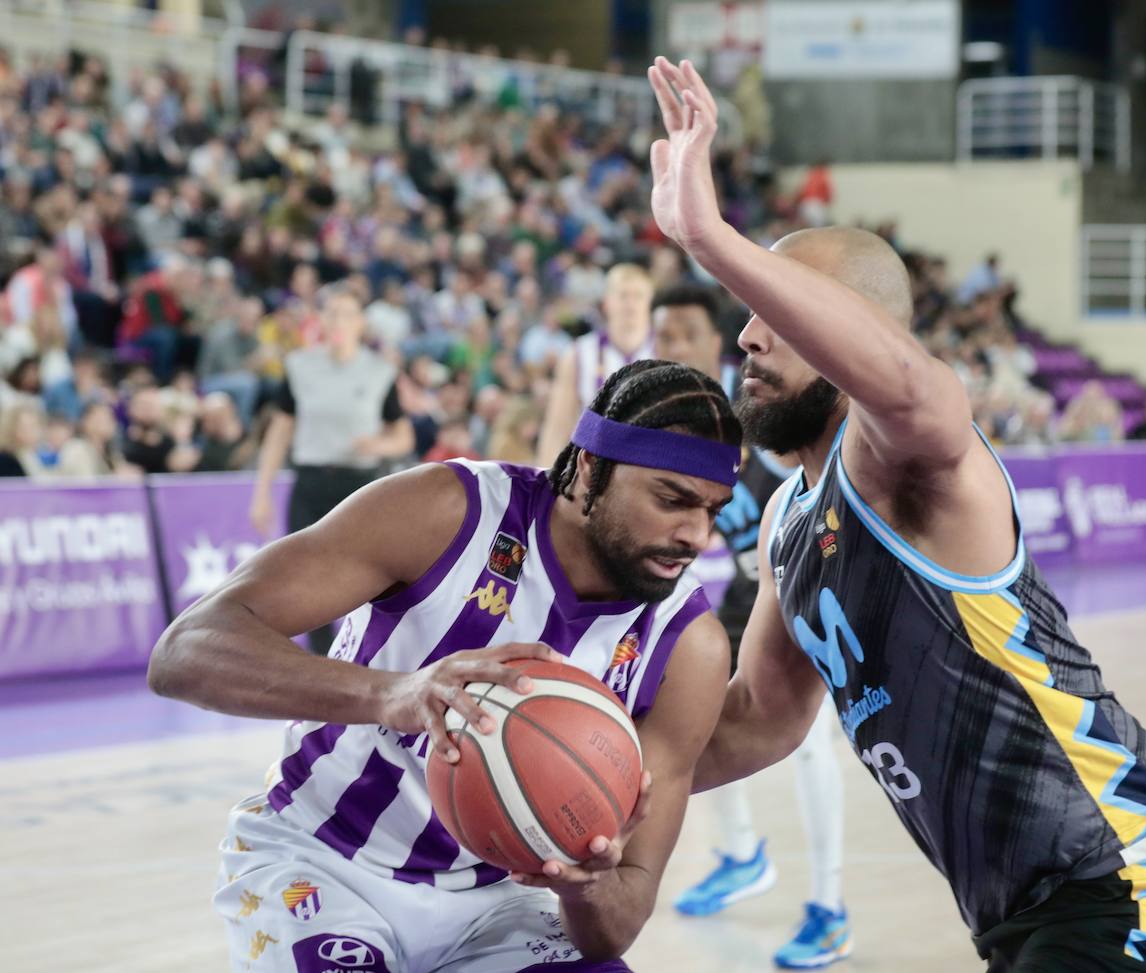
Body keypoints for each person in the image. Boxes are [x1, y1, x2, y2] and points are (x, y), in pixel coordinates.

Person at [646, 58, 1146, 972]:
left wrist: (714, 240)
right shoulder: (787, 528)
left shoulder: (904, 457)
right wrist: (606, 779)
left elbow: (918, 387)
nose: (748, 333)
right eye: (748, 307)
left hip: (1127, 867)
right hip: (1022, 910)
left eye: (775, 309)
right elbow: (757, 719)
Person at [147, 359, 742, 973]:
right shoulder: (449, 510)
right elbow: (185, 649)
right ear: (590, 468)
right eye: (672, 501)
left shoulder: (689, 645)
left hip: (498, 902)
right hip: (318, 858)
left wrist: (584, 883)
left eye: (714, 510)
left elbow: (613, 931)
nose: (697, 535)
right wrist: (394, 693)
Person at [651, 284, 852, 967]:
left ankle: (829, 907)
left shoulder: (764, 420)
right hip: (740, 588)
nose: (666, 347)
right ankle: (742, 855)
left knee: (808, 742)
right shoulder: (674, 423)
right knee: (688, 718)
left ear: (716, 343)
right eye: (660, 335)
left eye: (680, 334)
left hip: (801, 577)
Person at [250, 289, 416, 654]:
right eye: (332, 313)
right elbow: (279, 433)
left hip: (361, 486)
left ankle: (376, 653)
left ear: (360, 323)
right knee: (308, 580)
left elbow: (403, 435)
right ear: (321, 321)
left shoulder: (379, 372)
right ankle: (321, 661)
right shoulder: (299, 367)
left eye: (347, 314)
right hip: (310, 482)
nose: (338, 321)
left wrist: (379, 445)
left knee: (374, 575)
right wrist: (261, 493)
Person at [535, 263, 655, 466]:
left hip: (650, 464)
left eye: (638, 296)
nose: (630, 304)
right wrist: (547, 479)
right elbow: (557, 426)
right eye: (623, 296)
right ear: (606, 302)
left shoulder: (667, 351)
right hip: (593, 466)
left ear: (650, 303)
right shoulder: (579, 353)